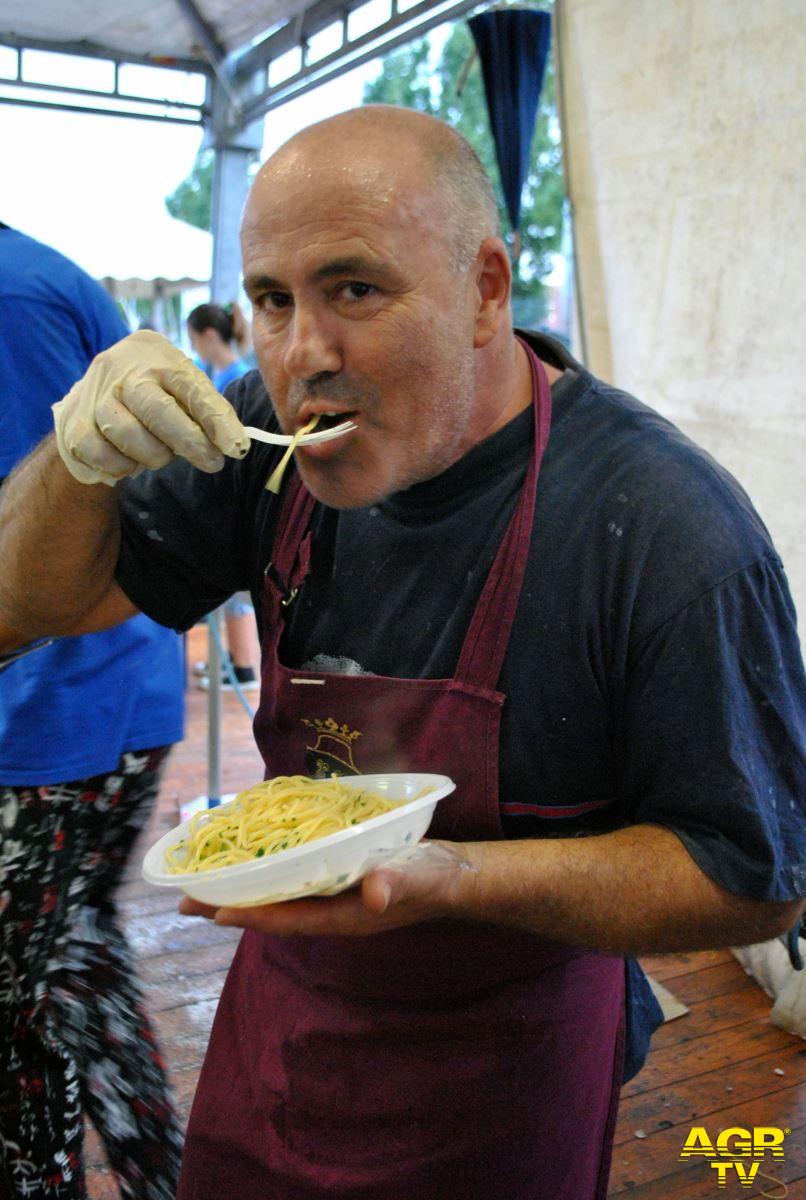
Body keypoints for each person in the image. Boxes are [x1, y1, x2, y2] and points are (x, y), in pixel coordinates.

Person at [0, 108, 803, 1200]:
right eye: (272, 301)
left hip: (508, 1065)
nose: (301, 354)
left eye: (355, 291)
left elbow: (751, 880)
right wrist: (75, 456)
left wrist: (451, 877)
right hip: (285, 1022)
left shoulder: (662, 530)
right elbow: (30, 605)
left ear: (484, 288)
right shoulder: (255, 441)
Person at [0, 224, 185, 1200]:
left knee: (47, 969)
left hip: (63, 701)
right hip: (58, 698)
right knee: (56, 965)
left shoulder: (11, 298)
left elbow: (46, 556)